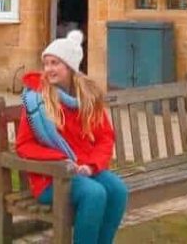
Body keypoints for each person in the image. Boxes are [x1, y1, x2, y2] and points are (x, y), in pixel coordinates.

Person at [15, 29, 128, 244]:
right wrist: (60, 160)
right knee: (94, 194)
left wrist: (92, 165)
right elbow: (24, 145)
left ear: (70, 67)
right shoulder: (36, 101)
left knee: (117, 190)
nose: (48, 69)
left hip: (84, 168)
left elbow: (105, 137)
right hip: (51, 177)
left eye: (55, 63)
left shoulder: (87, 98)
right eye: (46, 63)